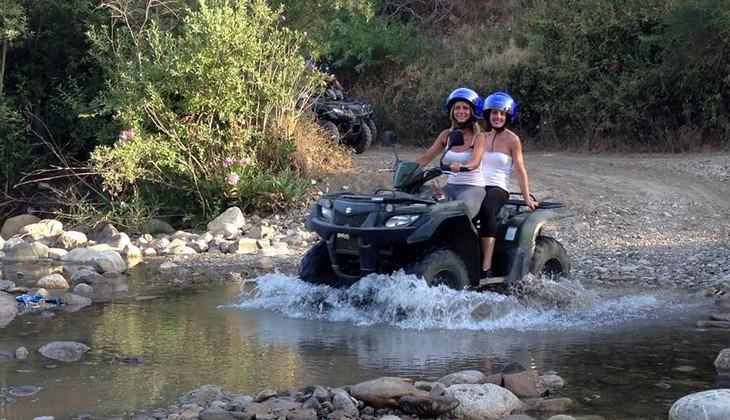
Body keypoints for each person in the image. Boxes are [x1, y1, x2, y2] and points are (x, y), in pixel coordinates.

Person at [476, 91, 538, 279]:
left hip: (498, 188)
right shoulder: (480, 137)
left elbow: (520, 169)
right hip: (477, 185)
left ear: (507, 116)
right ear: (488, 114)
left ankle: (486, 267)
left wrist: (526, 196)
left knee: (487, 209)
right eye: (494, 113)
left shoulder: (512, 139)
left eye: (502, 114)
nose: (498, 117)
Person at [416, 87, 486, 219]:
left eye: (465, 108)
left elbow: (475, 161)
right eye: (457, 108)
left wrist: (462, 166)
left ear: (472, 112)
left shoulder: (479, 136)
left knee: (459, 216)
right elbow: (425, 159)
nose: (461, 111)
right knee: (425, 210)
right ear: (452, 111)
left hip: (472, 188)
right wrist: (401, 165)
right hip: (451, 186)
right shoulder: (446, 135)